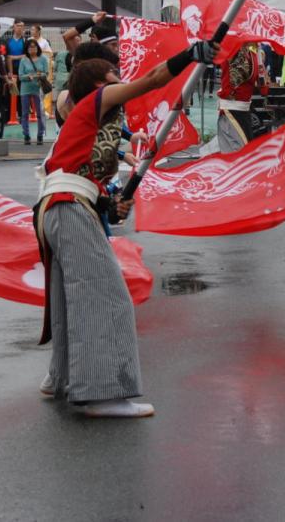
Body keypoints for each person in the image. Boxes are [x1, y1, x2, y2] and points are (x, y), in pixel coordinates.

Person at [34, 38, 218, 417]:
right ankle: (103, 395)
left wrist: (110, 203)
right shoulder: (96, 102)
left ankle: (62, 378)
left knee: (72, 300)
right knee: (105, 296)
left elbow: (84, 173)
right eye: (115, 75)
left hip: (62, 205)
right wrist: (188, 55)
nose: (121, 80)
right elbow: (151, 79)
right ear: (102, 84)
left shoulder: (93, 121)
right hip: (67, 207)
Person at [217, 40, 263, 153]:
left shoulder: (254, 55)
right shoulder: (233, 52)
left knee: (243, 154)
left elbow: (263, 87)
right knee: (236, 155)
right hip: (231, 111)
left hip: (244, 111)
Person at [16, 38, 50, 145]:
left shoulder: (43, 58)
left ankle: (40, 135)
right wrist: (28, 76)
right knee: (25, 113)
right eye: (30, 47)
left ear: (37, 48)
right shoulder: (23, 60)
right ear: (27, 48)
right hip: (25, 89)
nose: (32, 49)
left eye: (34, 46)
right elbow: (20, 76)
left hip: (38, 89)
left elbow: (46, 73)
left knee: (40, 113)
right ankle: (26, 135)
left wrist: (40, 75)